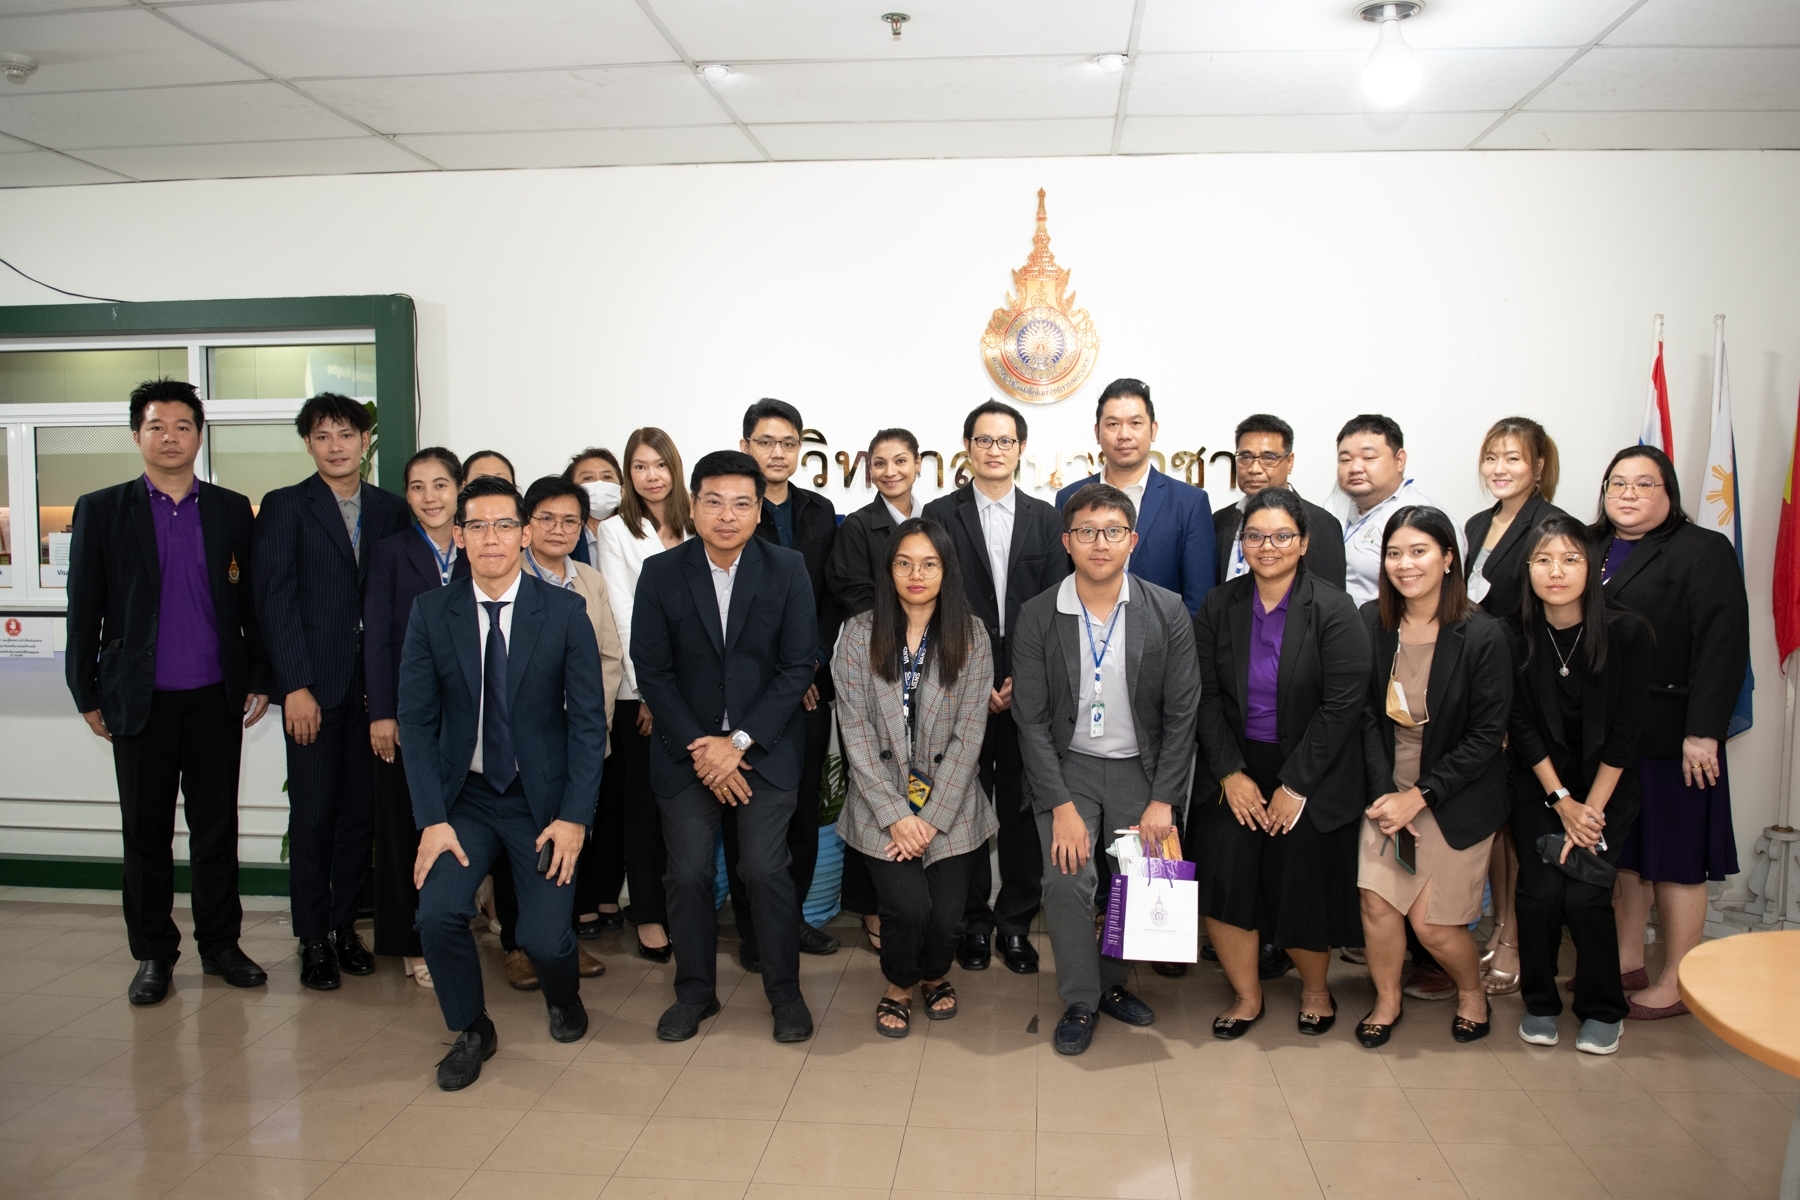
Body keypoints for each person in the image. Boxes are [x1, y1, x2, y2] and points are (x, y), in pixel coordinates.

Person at [65, 379, 272, 1005]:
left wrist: (260, 675)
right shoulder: (103, 509)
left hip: (215, 693)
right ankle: (153, 952)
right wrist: (85, 691)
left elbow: (252, 602)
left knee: (216, 828)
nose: (170, 437)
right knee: (145, 831)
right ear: (137, 436)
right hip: (139, 697)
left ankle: (221, 944)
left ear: (199, 436)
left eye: (183, 426)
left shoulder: (231, 509)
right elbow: (84, 608)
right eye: (156, 426)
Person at [400, 475, 608, 1090]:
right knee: (438, 914)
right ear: (459, 536)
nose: (491, 538)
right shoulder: (431, 612)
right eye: (477, 526)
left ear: (523, 534)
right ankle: (471, 1028)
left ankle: (563, 998)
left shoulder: (564, 612)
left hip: (540, 802)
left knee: (545, 940)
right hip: (463, 799)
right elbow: (417, 722)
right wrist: (431, 819)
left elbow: (588, 724)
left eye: (504, 525)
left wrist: (574, 817)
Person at [631, 450, 819, 1044]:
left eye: (742, 503)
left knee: (764, 868)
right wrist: (704, 749)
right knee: (687, 873)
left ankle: (785, 993)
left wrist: (736, 743)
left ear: (759, 510)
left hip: (762, 747)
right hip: (686, 750)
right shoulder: (662, 573)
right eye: (714, 502)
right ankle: (694, 993)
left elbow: (798, 665)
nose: (727, 515)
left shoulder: (786, 568)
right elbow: (652, 670)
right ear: (693, 506)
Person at [1013, 482, 1200, 1055]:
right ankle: (1079, 998)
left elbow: (1182, 713)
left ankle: (1112, 984)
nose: (1100, 543)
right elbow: (1030, 720)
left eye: (1113, 531)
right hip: (1067, 768)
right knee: (1067, 879)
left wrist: (1164, 800)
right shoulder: (1039, 614)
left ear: (1132, 541)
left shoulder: (1166, 610)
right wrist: (1060, 806)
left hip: (1141, 769)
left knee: (1137, 879)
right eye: (1087, 532)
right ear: (1066, 541)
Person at [1193, 488, 1369, 1039]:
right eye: (1255, 536)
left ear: (1304, 542)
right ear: (1241, 543)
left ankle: (1316, 990)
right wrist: (1230, 773)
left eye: (1281, 536)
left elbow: (1342, 706)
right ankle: (1247, 996)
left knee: (1301, 882)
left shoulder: (1334, 609)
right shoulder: (1219, 604)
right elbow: (1203, 696)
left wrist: (1295, 785)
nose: (1267, 546)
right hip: (1235, 764)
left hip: (1310, 767)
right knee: (1224, 876)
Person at [254, 392, 411, 990]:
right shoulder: (286, 506)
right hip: (314, 691)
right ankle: (313, 937)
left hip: (373, 693)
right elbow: (274, 600)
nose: (336, 446)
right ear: (308, 444)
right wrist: (294, 685)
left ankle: (345, 926)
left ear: (365, 440)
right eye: (323, 436)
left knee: (358, 818)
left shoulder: (390, 509)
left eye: (347, 434)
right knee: (314, 815)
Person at [1594, 446, 1750, 1019]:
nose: (1628, 494)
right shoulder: (1589, 545)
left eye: (1644, 483)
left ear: (1669, 492)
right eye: (1617, 483)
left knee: (1677, 857)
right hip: (1611, 734)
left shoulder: (1702, 549)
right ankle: (1625, 961)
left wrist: (1703, 731)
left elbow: (1722, 644)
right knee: (1625, 854)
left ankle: (1679, 979)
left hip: (1676, 735)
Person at [1354, 505, 1511, 1048]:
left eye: (1419, 551)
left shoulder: (1483, 634)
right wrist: (1385, 795)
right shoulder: (1371, 622)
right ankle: (1387, 1000)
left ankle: (1471, 991)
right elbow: (1365, 717)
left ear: (1448, 558)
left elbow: (1486, 737)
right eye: (1394, 553)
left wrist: (1418, 798)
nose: (1405, 564)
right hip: (1387, 786)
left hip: (1455, 793)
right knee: (1377, 903)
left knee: (1432, 925)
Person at [924, 400, 1070, 974]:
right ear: (967, 448)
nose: (994, 450)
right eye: (983, 440)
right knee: (960, 803)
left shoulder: (1046, 518)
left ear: (1020, 449)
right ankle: (971, 924)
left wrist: (1020, 681)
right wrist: (973, 681)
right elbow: (932, 605)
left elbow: (1054, 607)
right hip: (959, 682)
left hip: (1027, 686)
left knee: (1021, 807)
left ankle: (1013, 924)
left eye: (1005, 441)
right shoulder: (939, 514)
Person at [835, 517, 996, 1036]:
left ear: (947, 571)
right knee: (907, 908)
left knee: (947, 917)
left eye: (929, 564)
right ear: (889, 570)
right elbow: (855, 731)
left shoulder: (971, 635)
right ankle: (901, 983)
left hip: (950, 802)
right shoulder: (859, 634)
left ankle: (934, 974)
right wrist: (896, 816)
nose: (916, 574)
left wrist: (929, 818)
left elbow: (970, 733)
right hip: (880, 802)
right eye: (904, 563)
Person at [1506, 514, 1651, 1055]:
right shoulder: (1511, 635)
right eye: (1543, 560)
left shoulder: (1628, 632)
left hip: (1606, 790)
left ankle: (1603, 1010)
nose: (1556, 571)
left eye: (1570, 559)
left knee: (1588, 895)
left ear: (1592, 566)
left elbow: (1626, 734)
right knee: (1540, 894)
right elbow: (1521, 727)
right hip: (1539, 786)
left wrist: (1588, 811)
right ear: (1528, 569)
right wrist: (1561, 801)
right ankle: (1541, 1004)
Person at [1462, 416, 1570, 997]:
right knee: (1498, 822)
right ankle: (1502, 925)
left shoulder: (1551, 527)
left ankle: (1518, 941)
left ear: (1539, 466)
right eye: (1492, 458)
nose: (1499, 469)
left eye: (1513, 458)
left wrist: (1506, 706)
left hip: (1527, 686)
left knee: (1526, 823)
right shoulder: (1479, 524)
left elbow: (1543, 618)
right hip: (1483, 682)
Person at [738, 398, 842, 963]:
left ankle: (793, 919)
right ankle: (753, 932)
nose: (777, 453)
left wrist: (808, 665)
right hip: (746, 688)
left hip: (810, 688)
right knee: (747, 811)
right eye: (766, 442)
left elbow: (829, 598)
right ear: (746, 445)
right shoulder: (730, 511)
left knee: (801, 808)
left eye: (788, 443)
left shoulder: (820, 511)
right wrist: (784, 672)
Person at [365, 446, 468, 988]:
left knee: (461, 823)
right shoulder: (389, 552)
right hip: (409, 713)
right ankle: (410, 943)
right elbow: (377, 637)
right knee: (405, 827)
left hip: (468, 714)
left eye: (440, 485)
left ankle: (453, 927)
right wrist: (383, 712)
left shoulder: (478, 544)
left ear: (459, 489)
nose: (430, 497)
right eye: (417, 486)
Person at [826, 427, 926, 947]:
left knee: (925, 779)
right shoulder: (858, 526)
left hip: (931, 668)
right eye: (880, 463)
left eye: (900, 460)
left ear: (918, 464)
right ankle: (870, 908)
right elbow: (852, 591)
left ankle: (918, 898)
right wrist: (904, 630)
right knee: (872, 783)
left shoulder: (934, 520)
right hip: (875, 664)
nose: (890, 471)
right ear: (869, 470)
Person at [522, 475, 625, 972]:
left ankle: (560, 941)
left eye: (570, 521)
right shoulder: (507, 575)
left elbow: (609, 656)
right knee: (522, 843)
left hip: (580, 735)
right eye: (546, 518)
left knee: (571, 837)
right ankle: (519, 946)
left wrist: (591, 723)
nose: (558, 529)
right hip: (522, 739)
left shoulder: (590, 580)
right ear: (526, 524)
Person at [595, 427, 690, 963]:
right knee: (644, 810)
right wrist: (650, 691)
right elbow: (624, 614)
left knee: (689, 810)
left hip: (699, 692)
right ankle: (649, 915)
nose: (651, 476)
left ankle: (685, 910)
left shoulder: (699, 518)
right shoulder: (615, 530)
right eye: (639, 466)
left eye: (659, 465)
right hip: (642, 695)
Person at [1055, 378, 1215, 617]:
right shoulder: (1069, 498)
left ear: (1153, 430)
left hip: (1162, 637)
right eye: (1113, 424)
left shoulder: (1189, 503)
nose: (1124, 434)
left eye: (1135, 423)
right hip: (1084, 633)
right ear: (1097, 432)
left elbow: (1199, 599)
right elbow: (1061, 583)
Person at [1334, 414, 1460, 607]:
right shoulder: (1336, 507)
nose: (1355, 468)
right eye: (1345, 460)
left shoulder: (1420, 514)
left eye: (1369, 457)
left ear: (1399, 460)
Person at [1214, 413, 1345, 588]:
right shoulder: (1219, 521)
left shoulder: (1320, 523)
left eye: (1268, 458)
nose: (1254, 469)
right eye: (1245, 457)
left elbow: (1331, 596)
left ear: (1289, 462)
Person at [562, 447, 622, 567]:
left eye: (607, 477)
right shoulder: (562, 538)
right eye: (588, 478)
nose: (599, 484)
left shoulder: (640, 533)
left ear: (622, 490)